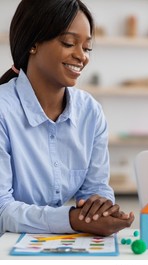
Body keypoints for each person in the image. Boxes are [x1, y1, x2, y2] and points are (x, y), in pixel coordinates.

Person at [0, 0, 134, 236]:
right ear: (33, 43)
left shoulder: (90, 112)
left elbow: (96, 188)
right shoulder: (3, 110)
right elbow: (3, 210)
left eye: (87, 47)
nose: (82, 56)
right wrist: (72, 220)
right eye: (69, 43)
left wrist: (99, 210)